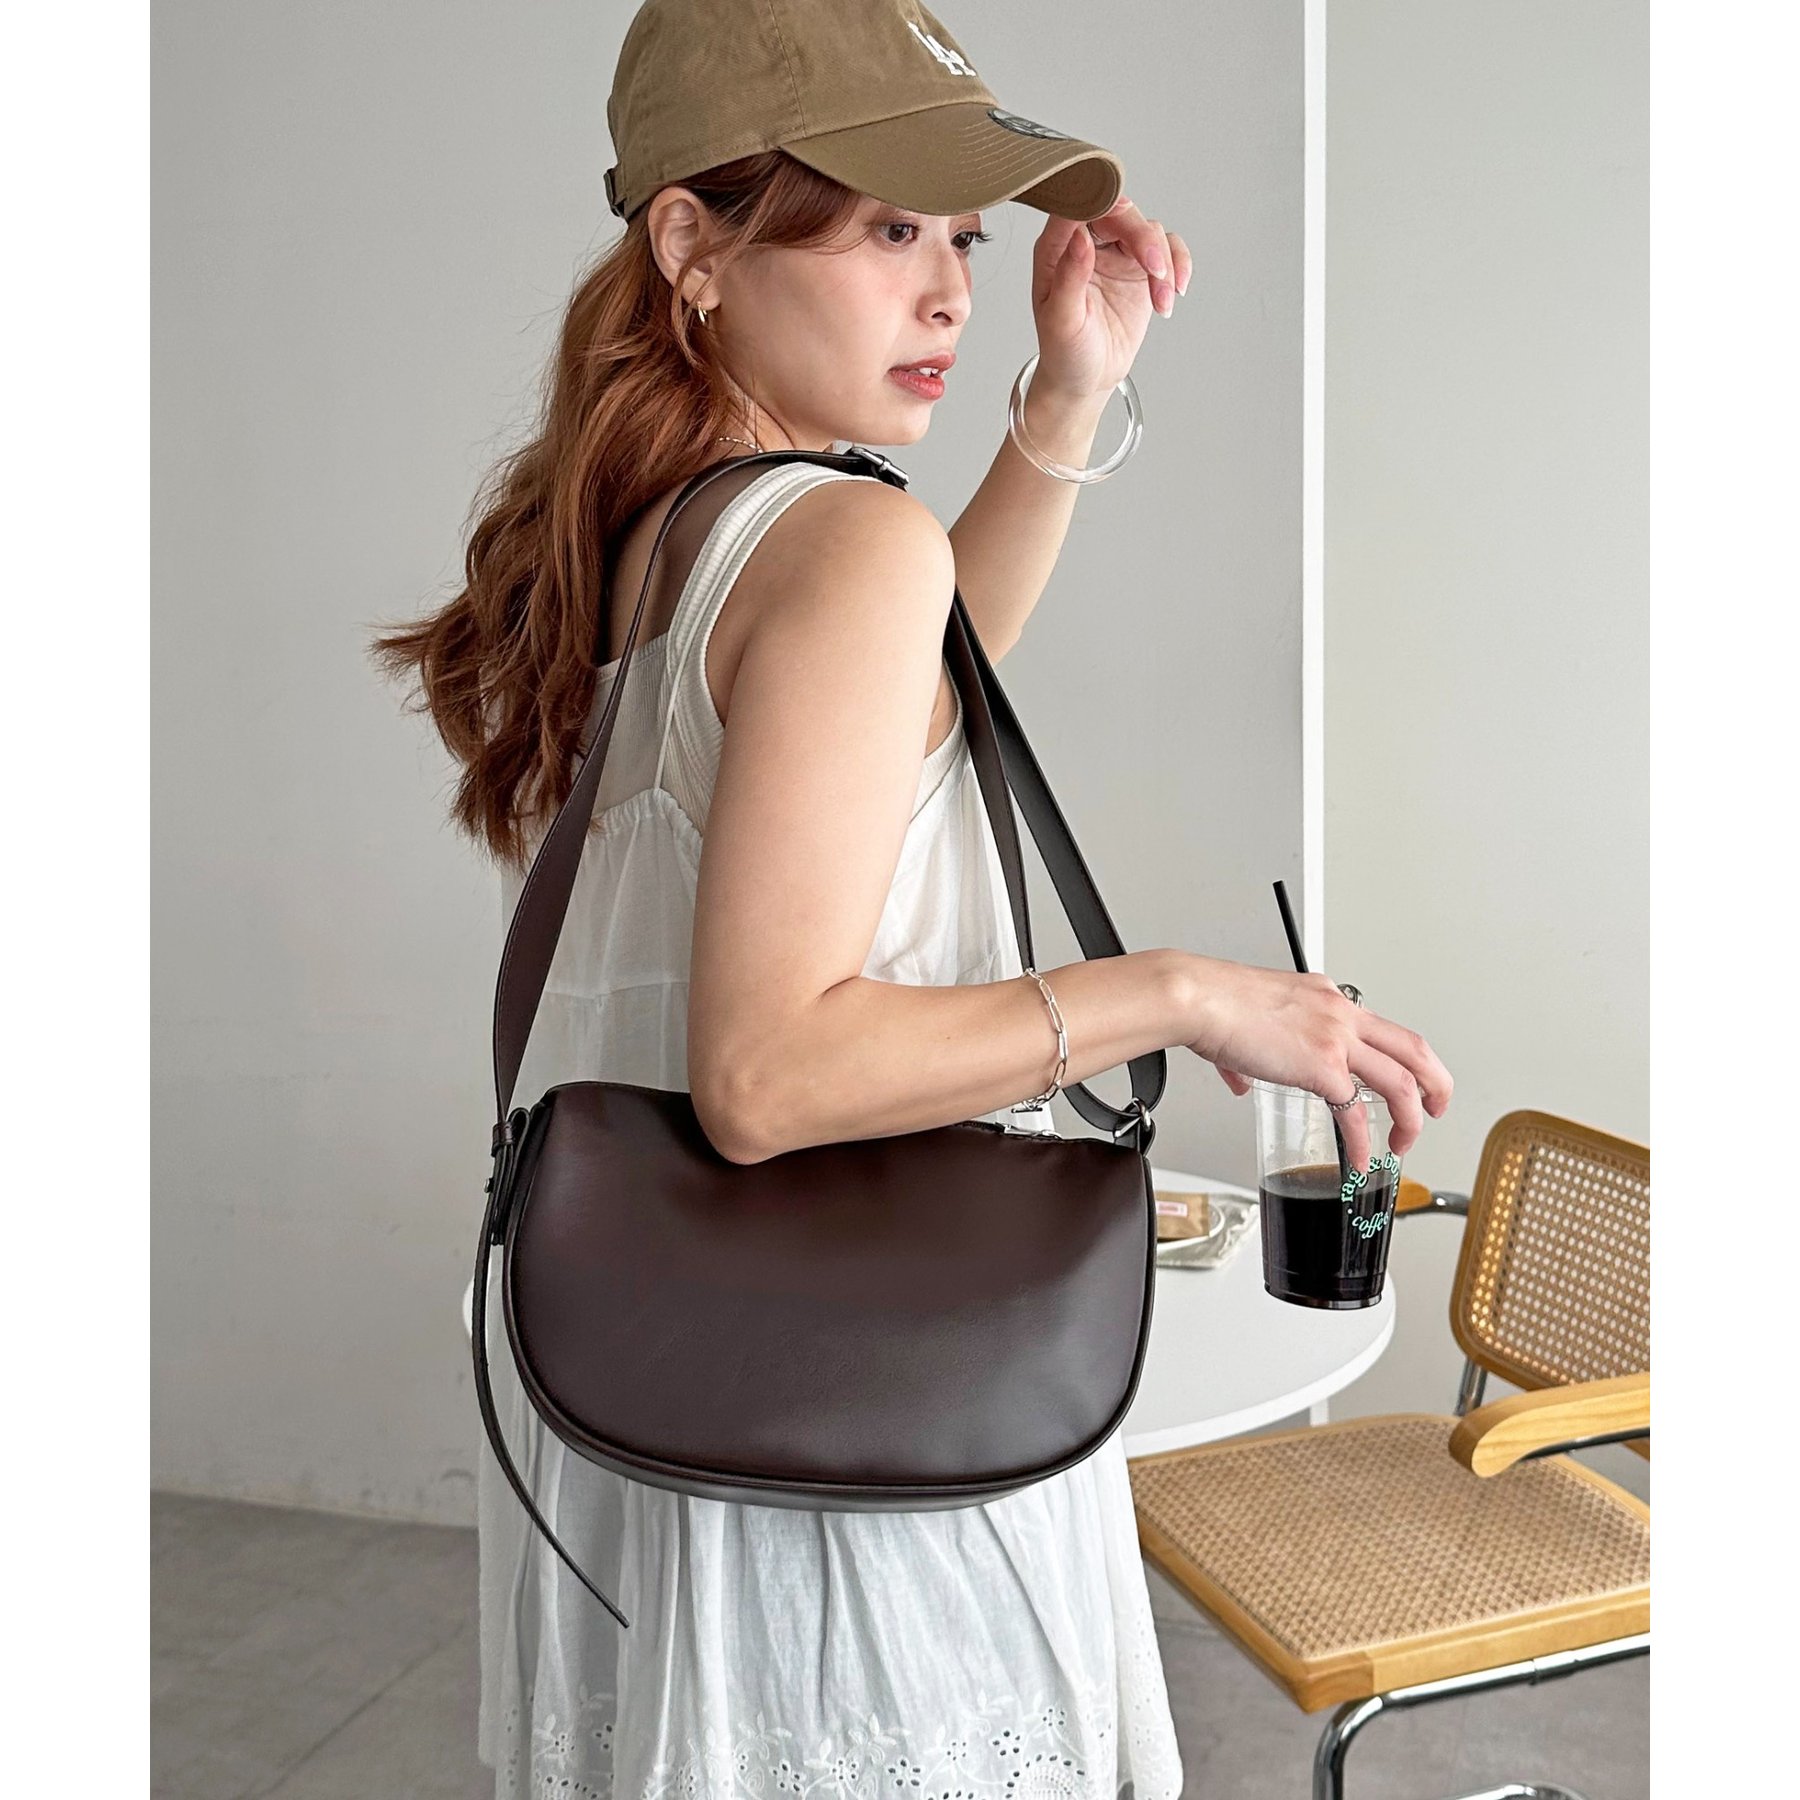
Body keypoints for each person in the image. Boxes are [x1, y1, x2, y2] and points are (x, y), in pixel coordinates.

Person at [371, 4, 1454, 1796]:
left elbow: (915, 700)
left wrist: (1067, 391)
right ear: (692, 243)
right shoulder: (836, 538)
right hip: (856, 1409)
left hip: (674, 1367)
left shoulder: (667, 528)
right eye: (889, 227)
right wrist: (1187, 992)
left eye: (963, 234)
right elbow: (771, 1077)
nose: (952, 291)